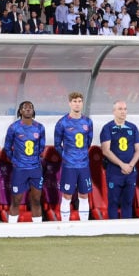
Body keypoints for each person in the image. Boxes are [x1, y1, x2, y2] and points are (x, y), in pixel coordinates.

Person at [3, 100, 46, 223]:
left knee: (36, 199)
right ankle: (11, 229)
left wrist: (34, 160)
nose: (28, 109)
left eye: (30, 107)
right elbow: (7, 147)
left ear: (33, 111)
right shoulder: (14, 127)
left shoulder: (39, 127)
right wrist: (14, 161)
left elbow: (41, 147)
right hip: (20, 169)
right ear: (20, 111)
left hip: (35, 169)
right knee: (16, 200)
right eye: (25, 107)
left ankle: (38, 230)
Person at [53, 91, 93, 221]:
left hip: (84, 165)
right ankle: (65, 225)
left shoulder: (88, 122)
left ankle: (84, 226)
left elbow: (88, 142)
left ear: (82, 103)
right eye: (74, 101)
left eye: (79, 101)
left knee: (84, 195)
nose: (77, 104)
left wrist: (81, 155)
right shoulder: (62, 123)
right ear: (69, 103)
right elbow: (57, 144)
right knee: (67, 195)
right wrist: (67, 157)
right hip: (69, 165)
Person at [100, 100, 139, 219]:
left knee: (128, 202)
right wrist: (122, 165)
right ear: (114, 111)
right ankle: (113, 230)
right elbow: (106, 150)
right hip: (114, 172)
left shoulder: (132, 127)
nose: (123, 112)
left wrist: (131, 165)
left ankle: (127, 231)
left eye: (125, 109)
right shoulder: (107, 128)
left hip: (130, 172)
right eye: (120, 109)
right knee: (113, 202)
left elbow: (138, 149)